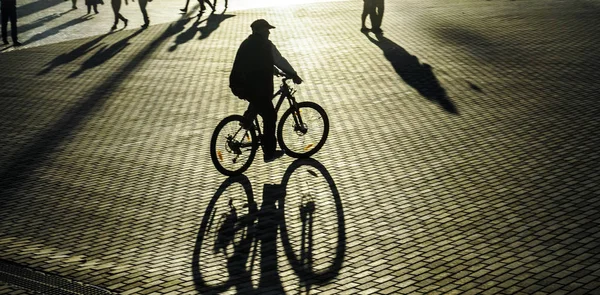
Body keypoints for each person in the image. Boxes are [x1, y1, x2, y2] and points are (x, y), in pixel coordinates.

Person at [229, 19, 303, 162]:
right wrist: (293, 74)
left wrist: (273, 69)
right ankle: (269, 153)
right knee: (270, 116)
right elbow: (279, 59)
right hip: (255, 87)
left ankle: (247, 121)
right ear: (259, 31)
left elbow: (256, 61)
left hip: (239, 84)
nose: (269, 32)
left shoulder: (247, 43)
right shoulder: (265, 45)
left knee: (258, 103)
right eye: (266, 29)